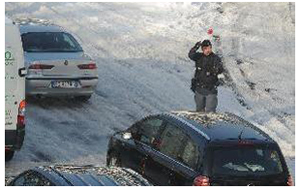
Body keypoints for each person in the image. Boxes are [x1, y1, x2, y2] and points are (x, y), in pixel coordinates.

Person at [188, 39, 224, 112]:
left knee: (210, 112)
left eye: (208, 48)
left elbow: (221, 72)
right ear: (202, 49)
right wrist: (195, 47)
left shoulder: (216, 59)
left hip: (210, 91)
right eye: (204, 48)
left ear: (211, 48)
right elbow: (191, 55)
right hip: (199, 89)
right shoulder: (199, 57)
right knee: (199, 111)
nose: (206, 50)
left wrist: (217, 81)